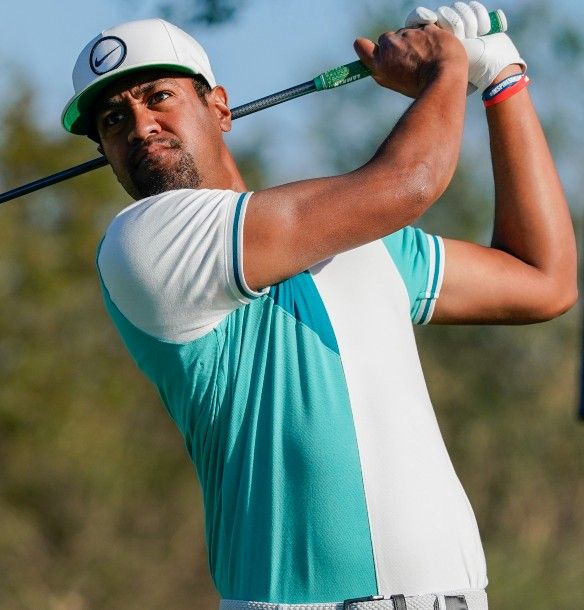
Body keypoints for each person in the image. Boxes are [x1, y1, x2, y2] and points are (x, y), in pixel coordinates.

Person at [60, 3, 576, 609]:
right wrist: (447, 68)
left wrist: (503, 79)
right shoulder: (142, 244)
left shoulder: (358, 237)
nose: (140, 126)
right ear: (106, 151)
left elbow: (543, 280)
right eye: (114, 119)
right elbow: (410, 181)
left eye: (158, 97)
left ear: (220, 107)